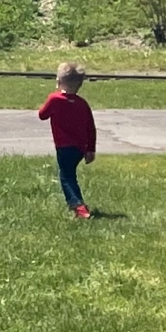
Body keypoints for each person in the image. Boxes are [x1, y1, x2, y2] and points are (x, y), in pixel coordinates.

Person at [38, 62, 97, 219]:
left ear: (58, 81)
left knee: (66, 176)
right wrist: (91, 149)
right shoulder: (82, 104)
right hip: (80, 148)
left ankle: (78, 205)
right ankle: (78, 204)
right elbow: (91, 127)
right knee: (70, 174)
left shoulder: (55, 99)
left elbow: (42, 115)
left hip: (64, 147)